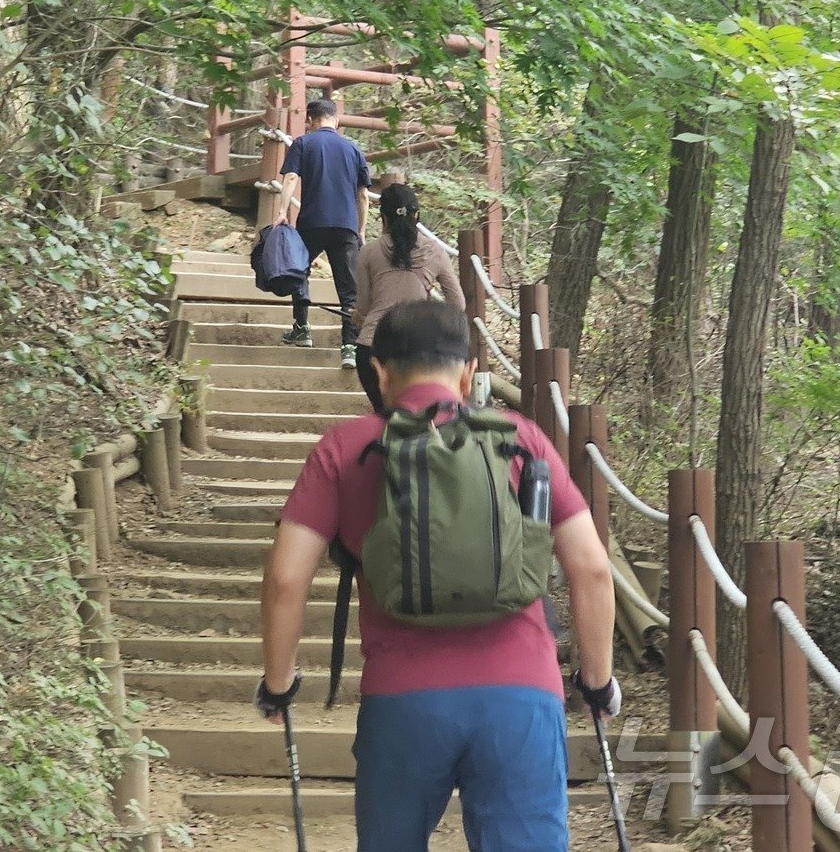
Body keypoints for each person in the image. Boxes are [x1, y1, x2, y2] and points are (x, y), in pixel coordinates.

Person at [256, 300, 619, 852]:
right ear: (469, 370)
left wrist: (279, 683)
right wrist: (596, 681)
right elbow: (591, 570)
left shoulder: (344, 449)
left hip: (403, 700)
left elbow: (286, 579)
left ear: (378, 370)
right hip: (519, 694)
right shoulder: (520, 438)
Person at [271, 98, 372, 369]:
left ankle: (302, 328)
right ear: (335, 120)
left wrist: (282, 212)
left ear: (310, 120)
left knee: (299, 271)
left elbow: (291, 178)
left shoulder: (303, 143)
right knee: (348, 289)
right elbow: (363, 195)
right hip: (346, 226)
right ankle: (349, 347)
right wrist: (361, 228)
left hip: (312, 222)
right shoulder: (353, 149)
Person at [351, 183, 464, 412]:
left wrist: (359, 316)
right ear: (417, 215)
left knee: (385, 414)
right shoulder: (435, 251)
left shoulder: (368, 252)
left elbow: (363, 305)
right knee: (416, 417)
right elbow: (458, 302)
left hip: (372, 347)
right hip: (419, 349)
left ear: (383, 217)